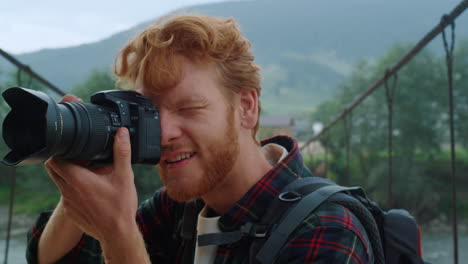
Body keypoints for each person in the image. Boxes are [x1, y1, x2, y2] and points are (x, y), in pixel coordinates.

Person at [26, 14, 372, 263]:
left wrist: (120, 235)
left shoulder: (327, 230)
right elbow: (58, 258)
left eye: (188, 108)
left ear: (246, 109)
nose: (163, 133)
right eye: (150, 112)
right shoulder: (178, 210)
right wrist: (88, 156)